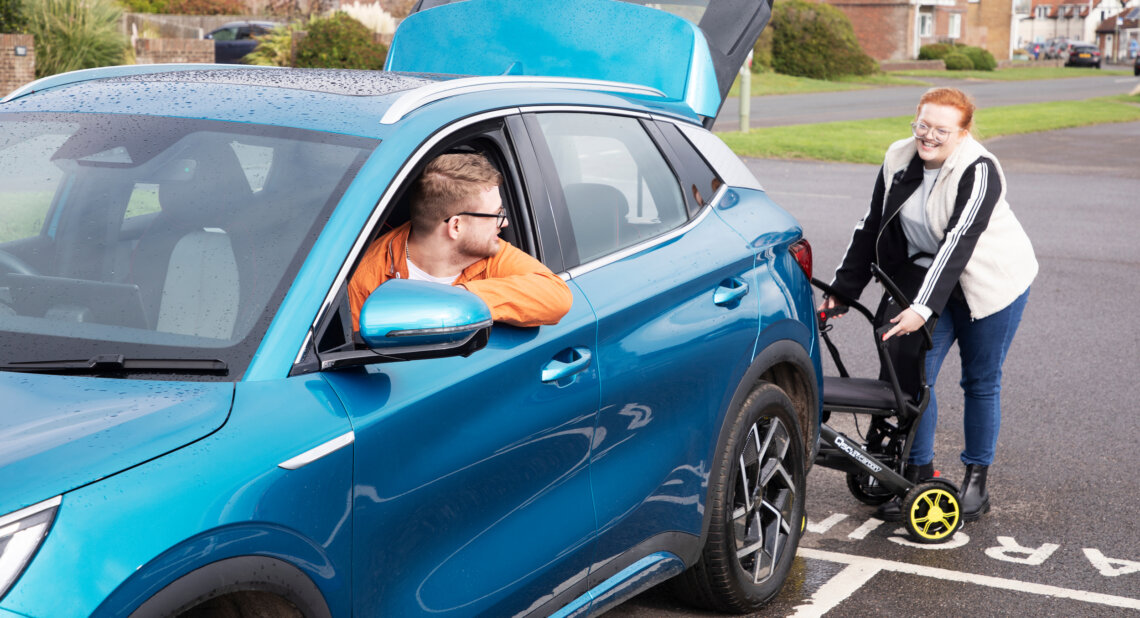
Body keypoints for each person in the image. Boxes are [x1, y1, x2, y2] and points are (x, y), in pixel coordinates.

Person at [820, 87, 1038, 522]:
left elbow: (958, 243)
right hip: (924, 280)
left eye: (941, 130)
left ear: (963, 133)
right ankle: (917, 474)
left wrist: (921, 309)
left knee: (980, 381)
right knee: (911, 380)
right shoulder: (898, 157)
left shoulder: (979, 169)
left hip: (989, 283)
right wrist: (843, 290)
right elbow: (872, 224)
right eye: (923, 125)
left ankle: (976, 480)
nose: (929, 136)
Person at [349, 153, 572, 330]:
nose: (504, 223)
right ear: (456, 226)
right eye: (496, 214)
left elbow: (556, 296)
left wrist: (462, 297)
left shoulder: (490, 253)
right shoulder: (366, 279)